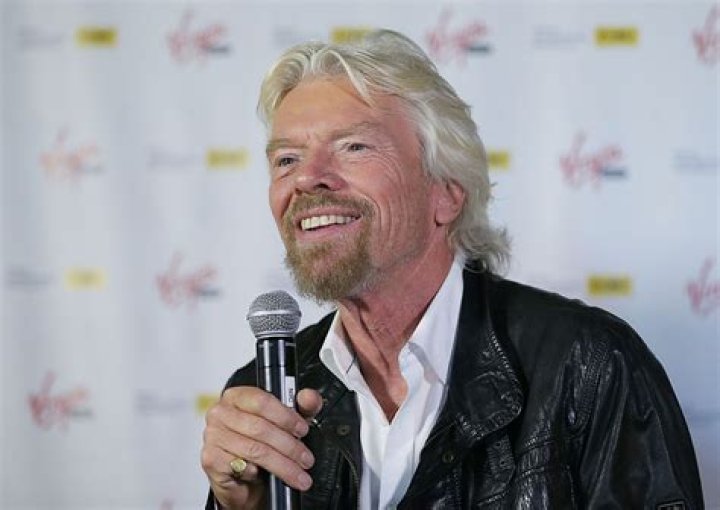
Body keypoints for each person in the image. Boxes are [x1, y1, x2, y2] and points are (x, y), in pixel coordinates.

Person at [200, 29, 703, 509]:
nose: (307, 178)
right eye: (286, 159)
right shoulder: (265, 393)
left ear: (445, 193)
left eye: (354, 147)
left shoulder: (589, 365)